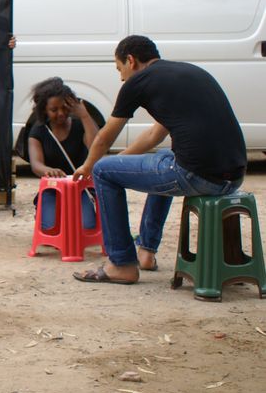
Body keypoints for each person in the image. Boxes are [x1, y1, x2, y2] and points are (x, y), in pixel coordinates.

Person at [72, 35, 246, 285]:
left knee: (101, 171)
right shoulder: (185, 72)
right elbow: (155, 135)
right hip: (233, 177)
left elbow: (103, 139)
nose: (121, 77)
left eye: (119, 69)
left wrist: (89, 167)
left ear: (130, 60)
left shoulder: (138, 82)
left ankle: (121, 264)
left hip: (197, 175)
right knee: (163, 156)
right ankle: (145, 251)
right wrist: (121, 163)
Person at [27, 77, 98, 231]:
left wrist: (85, 116)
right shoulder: (38, 131)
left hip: (79, 189)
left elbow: (96, 147)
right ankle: (43, 211)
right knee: (49, 229)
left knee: (87, 227)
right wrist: (47, 170)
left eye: (65, 108)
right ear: (44, 110)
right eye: (54, 110)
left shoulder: (80, 126)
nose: (61, 113)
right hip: (53, 189)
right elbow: (36, 164)